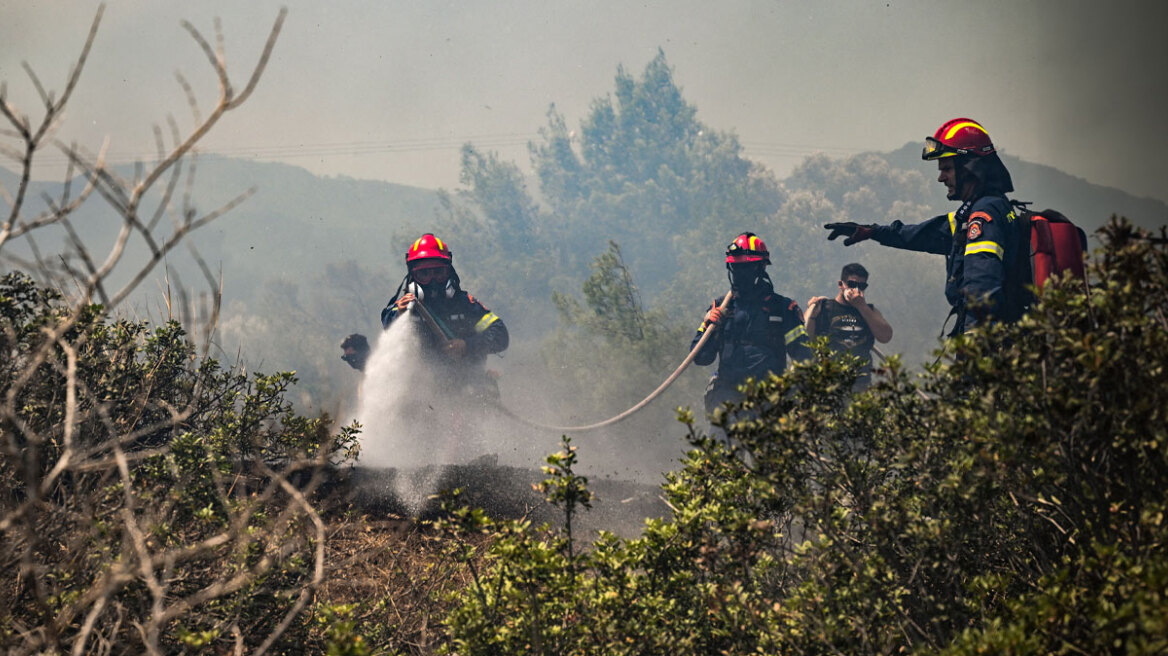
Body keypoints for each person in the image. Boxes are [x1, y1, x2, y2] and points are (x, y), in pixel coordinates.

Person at [824, 118, 1028, 335]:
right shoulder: (976, 213)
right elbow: (920, 234)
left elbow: (982, 289)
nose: (941, 178)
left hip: (988, 343)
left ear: (970, 168)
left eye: (947, 169)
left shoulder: (982, 216)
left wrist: (974, 342)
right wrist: (872, 231)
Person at [692, 232, 811, 417]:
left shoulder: (782, 309)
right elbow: (701, 358)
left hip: (768, 403)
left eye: (746, 267)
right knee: (721, 443)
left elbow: (805, 358)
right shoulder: (720, 308)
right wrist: (709, 326)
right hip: (727, 401)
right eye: (736, 268)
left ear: (762, 267)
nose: (740, 274)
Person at [380, 233, 509, 401]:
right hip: (420, 396)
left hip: (467, 392)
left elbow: (500, 334)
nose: (433, 281)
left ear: (449, 272)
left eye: (439, 273)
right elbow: (387, 323)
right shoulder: (404, 308)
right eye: (424, 274)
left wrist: (467, 346)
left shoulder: (465, 305)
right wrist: (399, 314)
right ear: (413, 276)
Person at [805, 263, 893, 390]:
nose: (856, 290)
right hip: (827, 383)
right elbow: (804, 339)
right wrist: (812, 314)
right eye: (852, 285)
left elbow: (886, 336)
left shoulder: (870, 311)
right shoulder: (823, 307)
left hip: (860, 384)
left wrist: (862, 307)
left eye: (861, 286)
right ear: (841, 285)